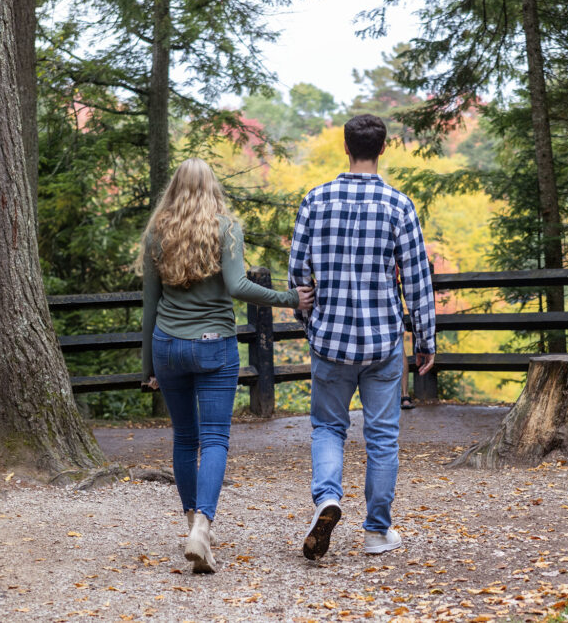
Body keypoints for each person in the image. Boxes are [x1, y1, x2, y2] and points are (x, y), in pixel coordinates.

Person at [137, 158, 313, 574]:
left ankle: (192, 527)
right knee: (214, 439)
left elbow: (149, 306)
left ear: (174, 188)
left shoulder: (157, 232)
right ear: (212, 187)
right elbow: (237, 286)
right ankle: (201, 528)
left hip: (167, 346)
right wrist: (290, 299)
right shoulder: (226, 227)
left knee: (184, 438)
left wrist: (148, 365)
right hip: (213, 346)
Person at [288, 114, 436, 559]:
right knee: (383, 437)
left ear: (346, 147)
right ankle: (376, 531)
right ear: (383, 149)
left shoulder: (315, 200)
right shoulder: (398, 205)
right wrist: (425, 337)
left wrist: (308, 319)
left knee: (329, 427)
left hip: (330, 340)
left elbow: (299, 276)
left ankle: (327, 499)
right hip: (382, 340)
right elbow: (416, 278)